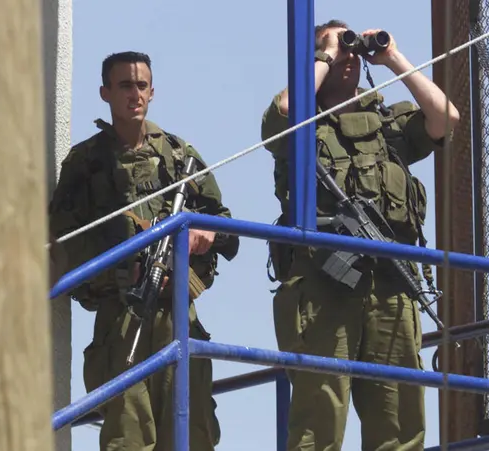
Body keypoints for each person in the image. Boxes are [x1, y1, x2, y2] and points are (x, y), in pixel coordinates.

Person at [261, 19, 460, 451]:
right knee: (319, 420)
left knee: (400, 421)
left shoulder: (386, 122)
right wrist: (326, 52)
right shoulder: (301, 124)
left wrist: (392, 57)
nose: (347, 55)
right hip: (322, 284)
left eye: (353, 47)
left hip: (392, 283)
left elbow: (446, 117)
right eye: (336, 48)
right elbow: (285, 114)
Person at [48, 51, 239, 450]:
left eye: (141, 85)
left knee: (192, 429)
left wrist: (203, 232)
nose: (134, 94)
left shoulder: (179, 155)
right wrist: (122, 268)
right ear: (105, 93)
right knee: (129, 433)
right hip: (122, 317)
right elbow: (64, 242)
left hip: (177, 314)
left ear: (152, 92)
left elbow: (226, 228)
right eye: (124, 86)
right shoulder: (87, 162)